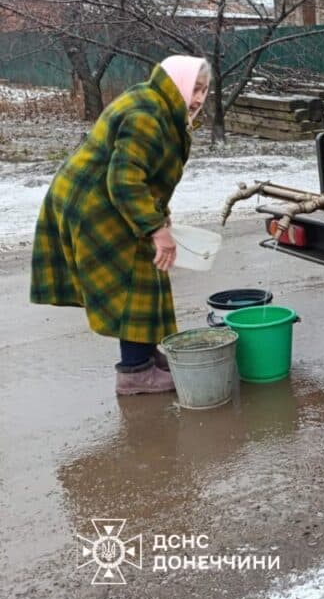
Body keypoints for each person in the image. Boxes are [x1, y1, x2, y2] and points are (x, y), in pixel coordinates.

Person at [30, 55, 211, 395]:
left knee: (147, 272)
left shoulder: (157, 105)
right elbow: (125, 181)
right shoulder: (147, 115)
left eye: (205, 91)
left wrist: (158, 214)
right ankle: (135, 372)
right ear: (178, 85)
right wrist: (157, 230)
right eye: (195, 89)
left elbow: (146, 173)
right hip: (94, 206)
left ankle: (144, 355)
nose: (200, 98)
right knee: (136, 278)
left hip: (104, 200)